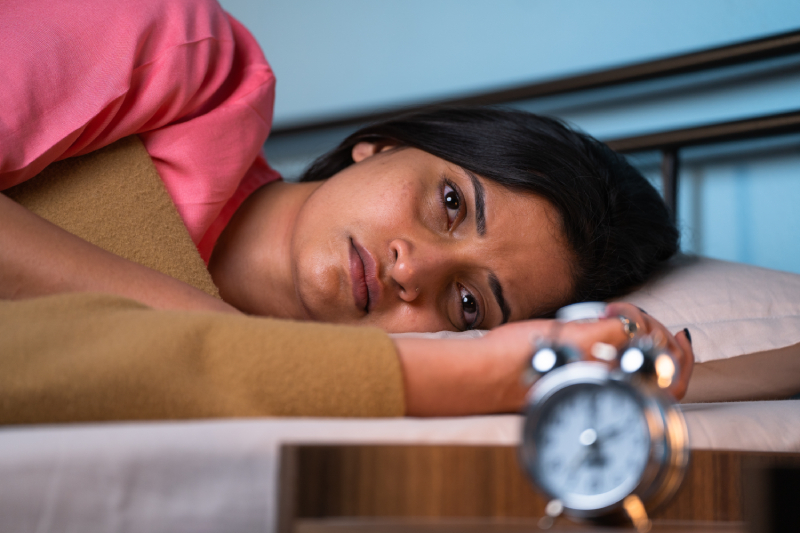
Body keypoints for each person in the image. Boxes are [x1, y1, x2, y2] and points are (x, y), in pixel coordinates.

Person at [0, 0, 693, 422]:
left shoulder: (300, 413)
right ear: (383, 145)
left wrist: (607, 349)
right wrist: (239, 344)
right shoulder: (192, 55)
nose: (414, 268)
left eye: (470, 306)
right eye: (451, 203)